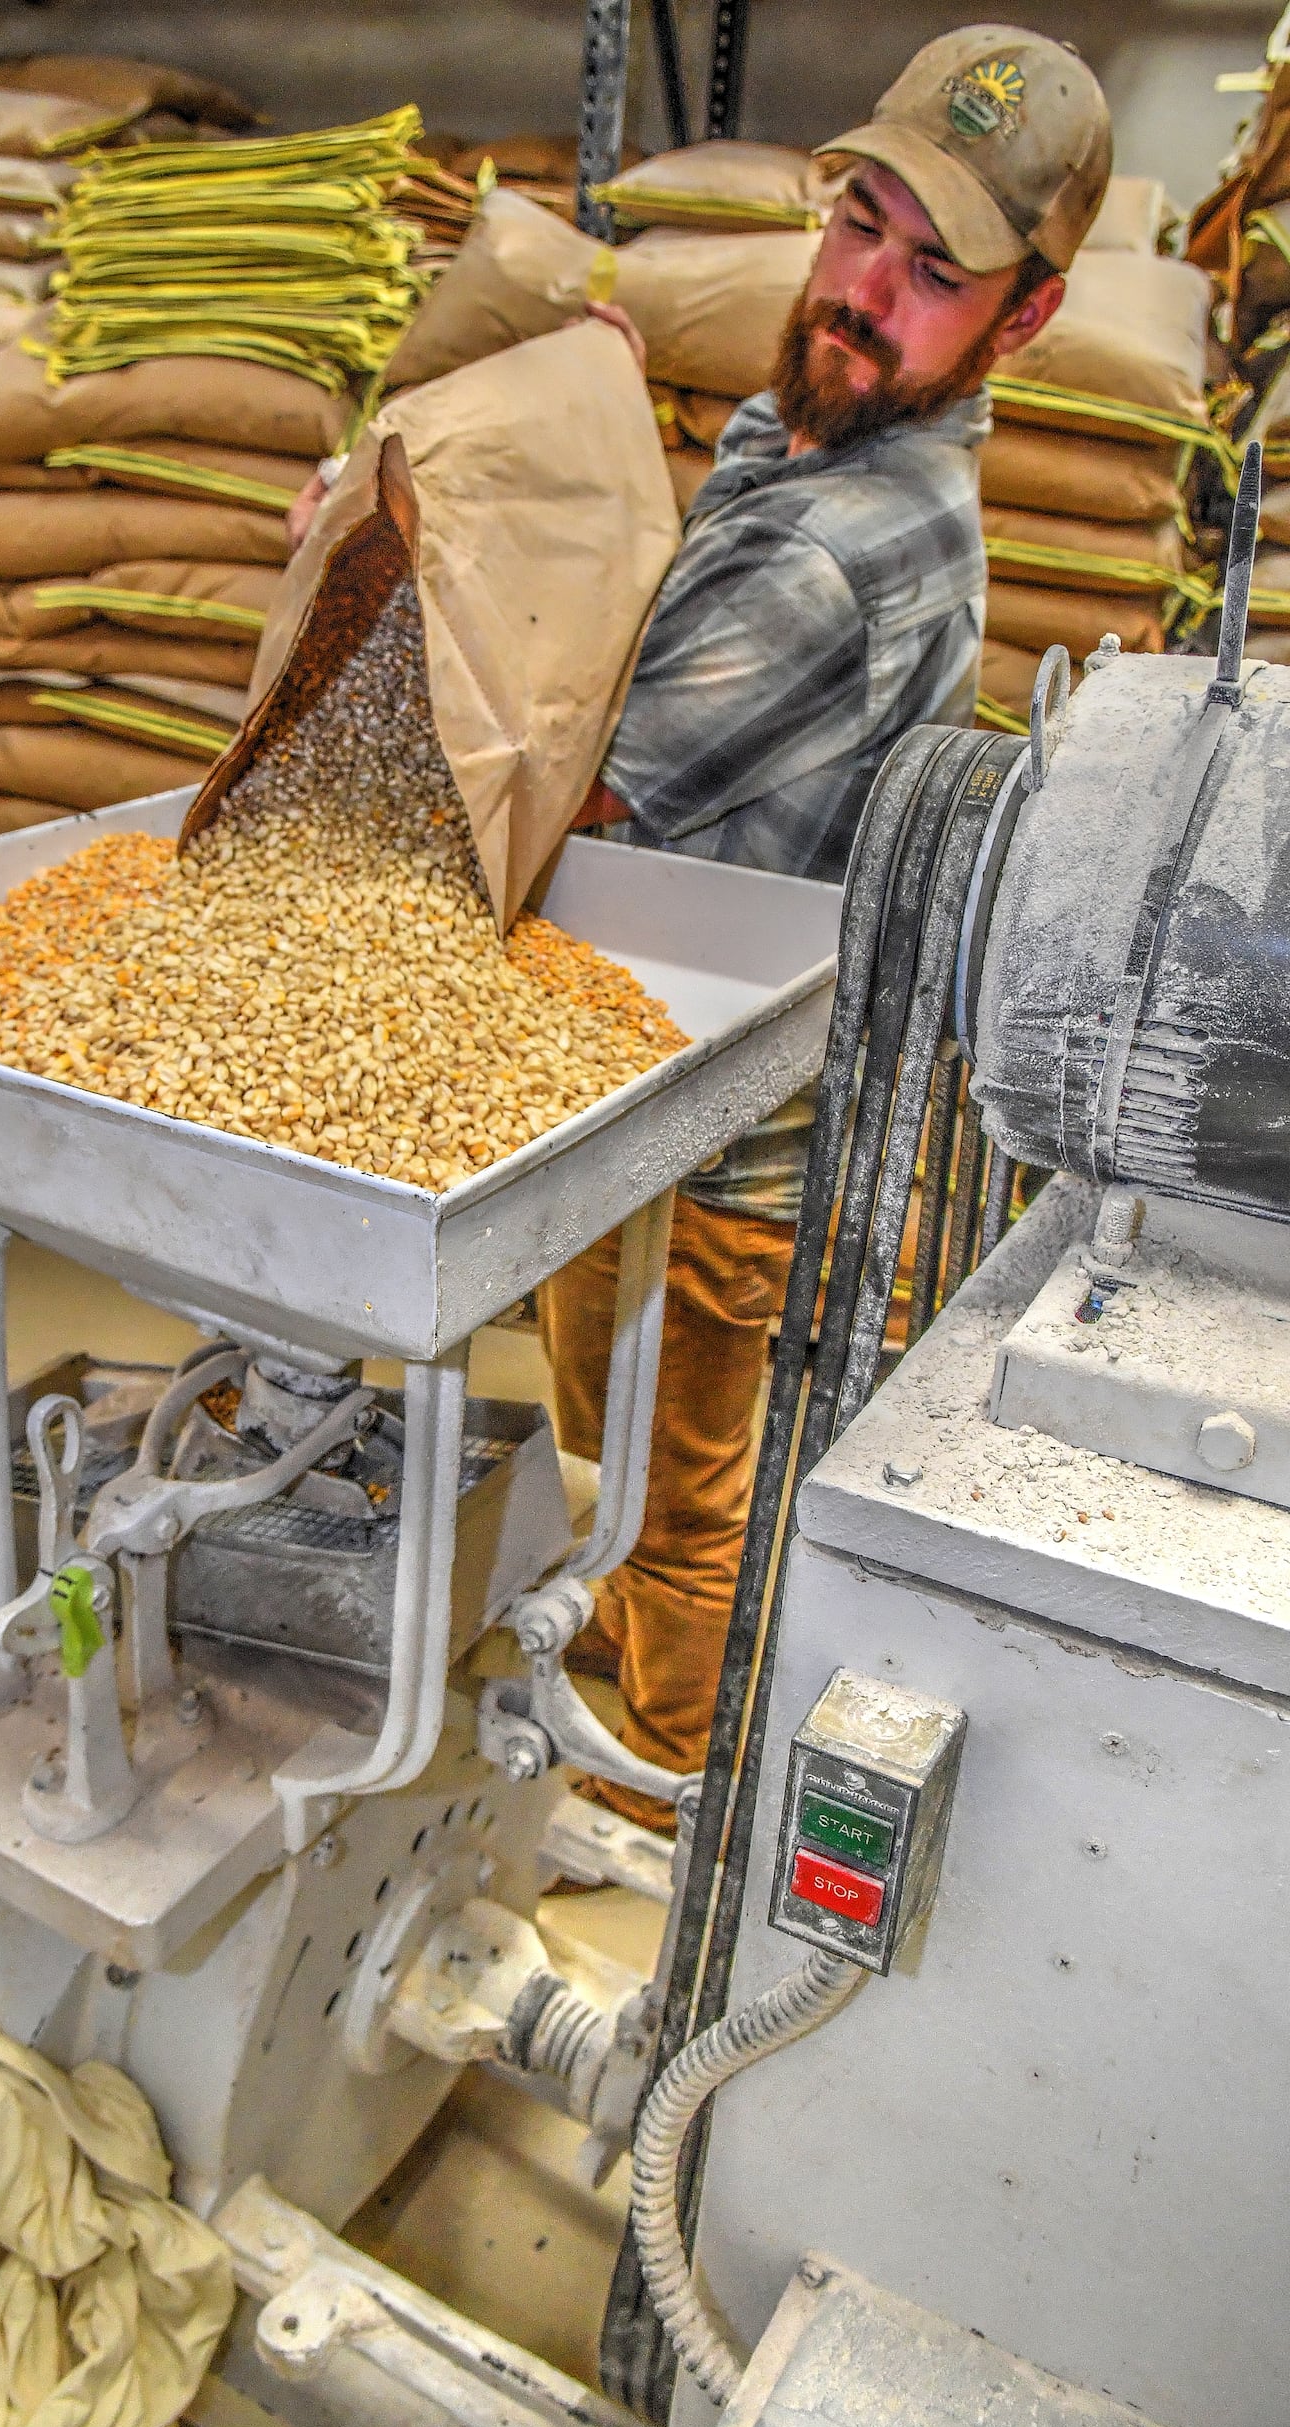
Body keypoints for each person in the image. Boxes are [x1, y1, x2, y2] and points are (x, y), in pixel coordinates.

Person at [538, 26, 1112, 1828]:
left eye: (932, 273)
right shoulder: (814, 427)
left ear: (1021, 322)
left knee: (681, 1491)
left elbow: (589, 786)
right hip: (643, 1068)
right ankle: (603, 1670)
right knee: (614, 1462)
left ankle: (661, 1812)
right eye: (858, 220)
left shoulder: (847, 547)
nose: (862, 287)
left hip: (726, 1144)